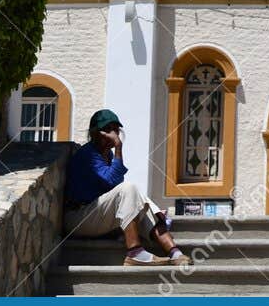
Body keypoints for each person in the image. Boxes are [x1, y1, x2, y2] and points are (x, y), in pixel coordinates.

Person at [64, 108, 189, 267]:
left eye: (115, 130)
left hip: (96, 217)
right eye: (108, 130)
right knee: (129, 188)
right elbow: (114, 181)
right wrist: (118, 147)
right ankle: (135, 252)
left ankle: (174, 252)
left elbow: (116, 185)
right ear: (96, 133)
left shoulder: (107, 155)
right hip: (78, 218)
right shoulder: (88, 154)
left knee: (140, 200)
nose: (113, 135)